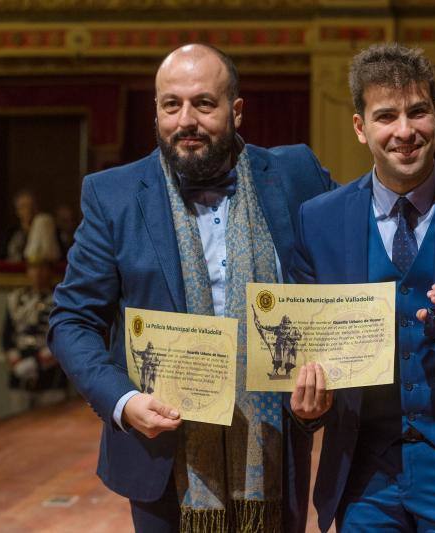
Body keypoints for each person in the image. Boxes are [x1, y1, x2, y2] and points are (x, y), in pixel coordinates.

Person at [48, 44, 336, 532]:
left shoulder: (293, 174)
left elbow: (360, 228)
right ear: (156, 110)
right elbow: (71, 320)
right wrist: (123, 401)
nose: (187, 120)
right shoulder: (112, 195)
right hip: (161, 455)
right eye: (171, 104)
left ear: (236, 110)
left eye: (204, 103)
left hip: (274, 450)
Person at [290, 43, 435, 532]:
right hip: (364, 467)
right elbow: (303, 345)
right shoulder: (318, 221)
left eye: (417, 112)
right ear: (360, 127)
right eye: (385, 116)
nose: (404, 131)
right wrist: (308, 406)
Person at [2, 258, 67, 410]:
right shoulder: (16, 299)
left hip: (51, 376)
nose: (38, 274)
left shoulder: (60, 299)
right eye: (34, 268)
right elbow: (7, 335)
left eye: (42, 268)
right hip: (20, 372)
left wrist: (38, 362)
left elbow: (62, 337)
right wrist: (16, 362)